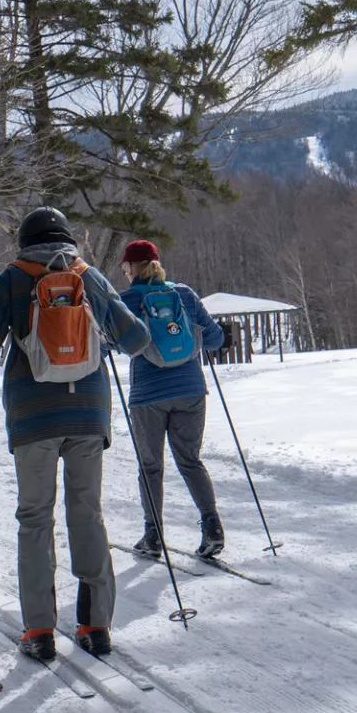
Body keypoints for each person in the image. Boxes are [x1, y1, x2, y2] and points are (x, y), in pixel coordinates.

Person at [0, 207, 150, 662]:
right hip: (89, 413)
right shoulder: (90, 276)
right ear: (68, 239)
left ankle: (40, 631)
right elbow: (136, 338)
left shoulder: (12, 278)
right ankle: (95, 625)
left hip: (32, 415)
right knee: (87, 513)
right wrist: (102, 339)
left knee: (35, 517)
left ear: (24, 241)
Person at [117, 239, 229, 560]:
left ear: (135, 267)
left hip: (148, 396)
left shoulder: (127, 300)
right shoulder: (185, 294)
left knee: (151, 466)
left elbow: (113, 343)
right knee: (190, 461)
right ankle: (213, 527)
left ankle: (153, 535)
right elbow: (216, 338)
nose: (125, 273)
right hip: (192, 391)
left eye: (126, 267)